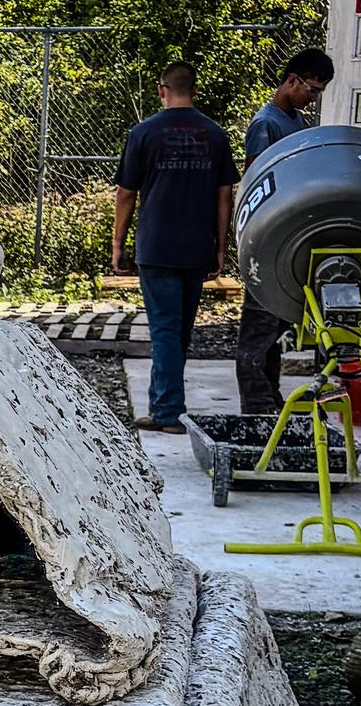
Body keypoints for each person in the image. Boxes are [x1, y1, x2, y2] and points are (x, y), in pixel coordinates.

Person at [111, 61, 239, 434]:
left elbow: (125, 194)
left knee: (165, 330)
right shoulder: (214, 134)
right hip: (196, 246)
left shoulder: (144, 133)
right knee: (179, 331)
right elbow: (224, 195)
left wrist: (118, 243)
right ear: (194, 90)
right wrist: (221, 246)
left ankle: (167, 411)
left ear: (161, 90)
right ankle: (164, 403)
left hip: (157, 245)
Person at [235, 47, 335, 412]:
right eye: (312, 89)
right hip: (268, 244)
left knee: (276, 328)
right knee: (259, 333)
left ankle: (272, 400)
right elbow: (255, 183)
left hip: (292, 242)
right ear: (292, 80)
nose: (313, 97)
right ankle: (257, 407)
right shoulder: (267, 124)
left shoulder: (296, 123)